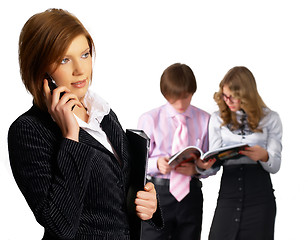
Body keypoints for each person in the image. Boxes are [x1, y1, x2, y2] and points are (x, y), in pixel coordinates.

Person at [8, 8, 162, 240]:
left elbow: (121, 184)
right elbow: (60, 225)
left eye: (85, 54)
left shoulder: (102, 112)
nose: (80, 70)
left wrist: (150, 202)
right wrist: (71, 136)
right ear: (41, 70)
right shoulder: (29, 131)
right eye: (64, 59)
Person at [198, 66, 282, 240]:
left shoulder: (271, 118)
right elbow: (213, 162)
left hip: (260, 198)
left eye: (232, 97)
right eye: (224, 96)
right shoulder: (217, 118)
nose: (227, 101)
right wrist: (204, 167)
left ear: (246, 95)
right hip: (228, 195)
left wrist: (263, 156)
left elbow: (275, 165)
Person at [137, 63, 216, 240]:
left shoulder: (205, 120)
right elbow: (137, 163)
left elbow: (213, 161)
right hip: (157, 193)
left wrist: (198, 169)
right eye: (174, 98)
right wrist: (156, 164)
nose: (180, 103)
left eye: (186, 97)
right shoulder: (149, 119)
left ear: (193, 92)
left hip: (191, 195)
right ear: (165, 94)